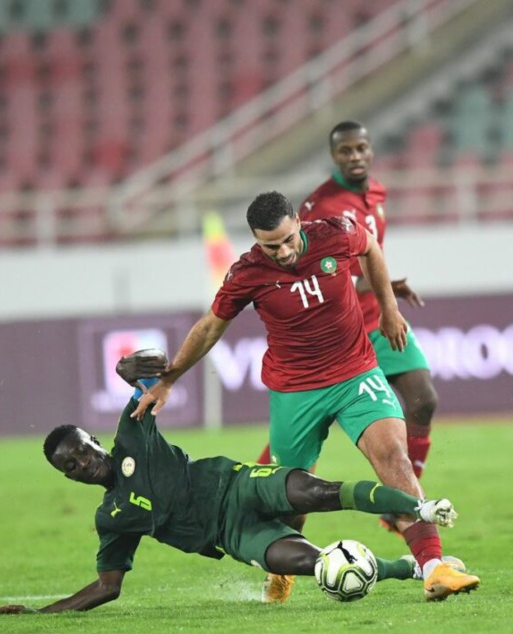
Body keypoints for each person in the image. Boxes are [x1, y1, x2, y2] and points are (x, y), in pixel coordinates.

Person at [128, 192, 480, 604]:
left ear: (298, 222)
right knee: (291, 499)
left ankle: (434, 567)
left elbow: (370, 248)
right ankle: (281, 570)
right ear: (256, 241)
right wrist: (169, 379)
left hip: (356, 374)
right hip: (295, 391)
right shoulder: (247, 273)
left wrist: (388, 309)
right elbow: (210, 327)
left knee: (393, 457)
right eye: (269, 246)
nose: (282, 252)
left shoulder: (336, 234)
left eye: (287, 240)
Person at [0, 349, 470, 616]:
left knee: (318, 493)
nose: (82, 464)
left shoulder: (131, 433)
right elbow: (106, 587)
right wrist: (39, 614)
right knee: (319, 566)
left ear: (93, 441)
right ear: (68, 477)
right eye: (70, 466)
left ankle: (421, 509)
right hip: (233, 534)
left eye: (81, 451)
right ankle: (409, 569)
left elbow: (155, 369)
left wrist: (128, 368)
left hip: (238, 483)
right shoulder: (112, 518)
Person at [256, 121, 439, 534]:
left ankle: (404, 500)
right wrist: (380, 286)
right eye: (345, 151)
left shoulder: (376, 193)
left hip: (377, 317)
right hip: (338, 331)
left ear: (370, 150)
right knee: (299, 439)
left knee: (423, 399)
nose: (355, 156)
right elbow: (319, 275)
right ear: (333, 155)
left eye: (361, 148)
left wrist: (387, 292)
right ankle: (261, 491)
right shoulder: (321, 208)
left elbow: (370, 256)